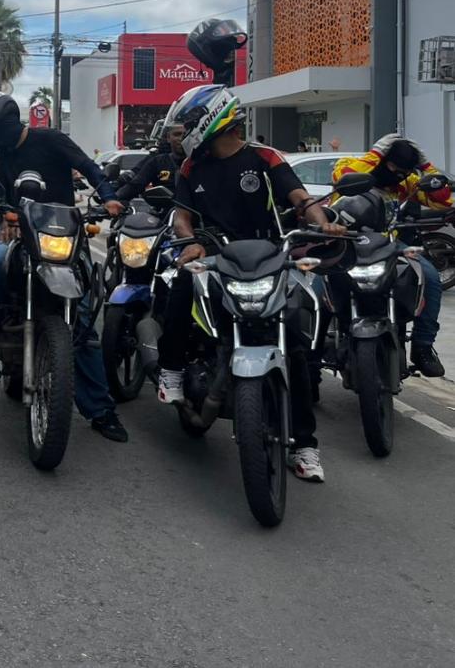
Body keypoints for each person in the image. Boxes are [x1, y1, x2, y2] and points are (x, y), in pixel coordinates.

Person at [154, 85, 340, 482]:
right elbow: (182, 215)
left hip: (270, 259)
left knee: (297, 349)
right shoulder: (191, 167)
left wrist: (322, 222)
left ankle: (305, 446)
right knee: (180, 286)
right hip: (216, 257)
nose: (184, 130)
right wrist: (188, 243)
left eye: (188, 123)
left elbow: (300, 198)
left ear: (211, 118)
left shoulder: (263, 157)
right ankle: (171, 369)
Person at [0, 90, 130, 444]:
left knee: (84, 322)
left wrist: (109, 195)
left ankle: (101, 410)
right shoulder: (5, 158)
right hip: (24, 238)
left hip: (66, 240)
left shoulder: (52, 139)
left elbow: (88, 166)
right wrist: (4, 213)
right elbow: (5, 197)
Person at [331, 133, 450, 377]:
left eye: (404, 171)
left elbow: (443, 201)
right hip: (347, 246)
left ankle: (423, 346)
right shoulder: (350, 169)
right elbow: (341, 180)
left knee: (430, 278)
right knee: (320, 287)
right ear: (383, 159)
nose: (398, 175)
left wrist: (426, 166)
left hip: (392, 248)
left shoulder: (408, 183)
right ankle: (316, 355)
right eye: (393, 167)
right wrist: (376, 153)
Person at [115, 119, 185, 203]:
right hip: (166, 212)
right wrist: (112, 200)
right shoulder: (158, 161)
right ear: (168, 138)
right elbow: (136, 184)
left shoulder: (201, 162)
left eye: (185, 135)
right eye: (177, 134)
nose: (181, 139)